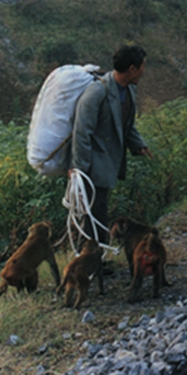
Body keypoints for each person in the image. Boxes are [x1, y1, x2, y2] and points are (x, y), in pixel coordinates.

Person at [71, 44, 153, 244]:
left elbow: (125, 124)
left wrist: (138, 144)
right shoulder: (96, 93)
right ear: (132, 69)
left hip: (107, 161)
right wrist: (79, 171)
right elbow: (81, 133)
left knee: (98, 212)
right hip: (93, 164)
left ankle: (95, 260)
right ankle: (90, 265)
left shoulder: (129, 90)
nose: (144, 71)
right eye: (142, 66)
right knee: (93, 214)